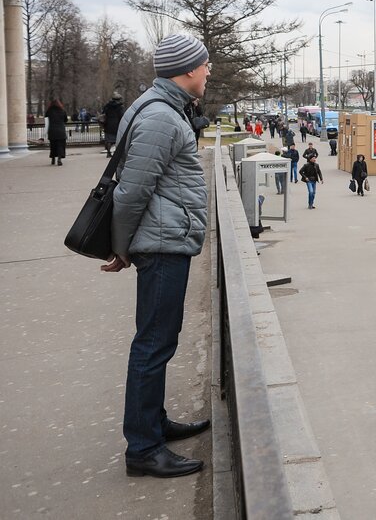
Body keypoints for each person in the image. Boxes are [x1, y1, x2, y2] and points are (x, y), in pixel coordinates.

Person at [102, 33, 212, 479]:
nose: (208, 72)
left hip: (165, 239)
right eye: (205, 65)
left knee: (158, 342)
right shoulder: (162, 117)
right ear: (187, 69)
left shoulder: (160, 108)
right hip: (162, 245)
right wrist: (121, 247)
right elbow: (131, 192)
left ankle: (153, 424)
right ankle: (144, 449)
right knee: (152, 344)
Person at [44, 100, 69, 165]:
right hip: (61, 131)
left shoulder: (49, 111)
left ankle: (53, 159)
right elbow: (66, 120)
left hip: (52, 131)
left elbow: (46, 119)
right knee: (60, 146)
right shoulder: (62, 111)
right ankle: (59, 159)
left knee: (53, 145)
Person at [101, 93, 125, 158]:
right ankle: (116, 153)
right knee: (117, 140)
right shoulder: (120, 107)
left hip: (108, 125)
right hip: (117, 125)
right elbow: (122, 116)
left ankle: (108, 153)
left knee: (109, 140)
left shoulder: (107, 106)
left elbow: (103, 113)